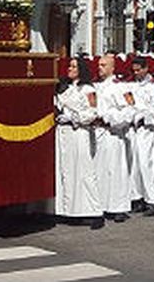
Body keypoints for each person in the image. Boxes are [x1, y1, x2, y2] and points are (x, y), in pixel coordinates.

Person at [54, 58, 104, 229]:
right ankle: (70, 211)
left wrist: (73, 118)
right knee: (66, 172)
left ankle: (95, 212)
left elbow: (92, 113)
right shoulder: (65, 88)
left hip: (79, 132)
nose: (70, 69)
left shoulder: (88, 89)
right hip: (63, 133)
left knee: (85, 172)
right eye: (70, 66)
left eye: (74, 66)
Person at [93, 54, 134, 222]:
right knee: (99, 170)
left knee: (116, 170)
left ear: (112, 68)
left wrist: (110, 117)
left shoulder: (120, 87)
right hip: (97, 132)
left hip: (113, 133)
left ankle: (119, 207)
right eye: (99, 65)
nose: (100, 68)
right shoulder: (95, 86)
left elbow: (130, 110)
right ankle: (100, 205)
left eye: (103, 65)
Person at [128, 56, 154, 217]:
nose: (136, 73)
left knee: (145, 164)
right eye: (134, 70)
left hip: (147, 128)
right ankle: (137, 197)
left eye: (139, 70)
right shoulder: (132, 85)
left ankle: (152, 200)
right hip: (133, 128)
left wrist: (144, 115)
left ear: (146, 68)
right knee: (134, 164)